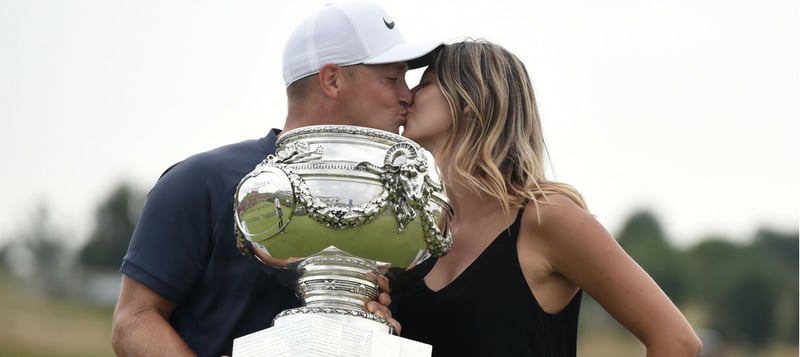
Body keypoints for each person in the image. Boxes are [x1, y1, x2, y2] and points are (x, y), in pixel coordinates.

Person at [110, 2, 441, 356]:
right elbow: (134, 318)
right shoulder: (202, 180)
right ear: (332, 80)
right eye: (392, 78)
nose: (407, 95)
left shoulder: (403, 197)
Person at [392, 40, 703, 356]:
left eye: (426, 84)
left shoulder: (546, 218)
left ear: (472, 100)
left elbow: (676, 340)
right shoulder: (424, 230)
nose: (407, 96)